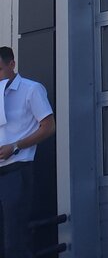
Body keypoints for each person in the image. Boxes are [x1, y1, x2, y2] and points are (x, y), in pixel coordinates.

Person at [0, 47, 56, 258]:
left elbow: (48, 127)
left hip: (16, 170)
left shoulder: (31, 89)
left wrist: (15, 146)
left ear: (12, 64)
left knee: (15, 240)